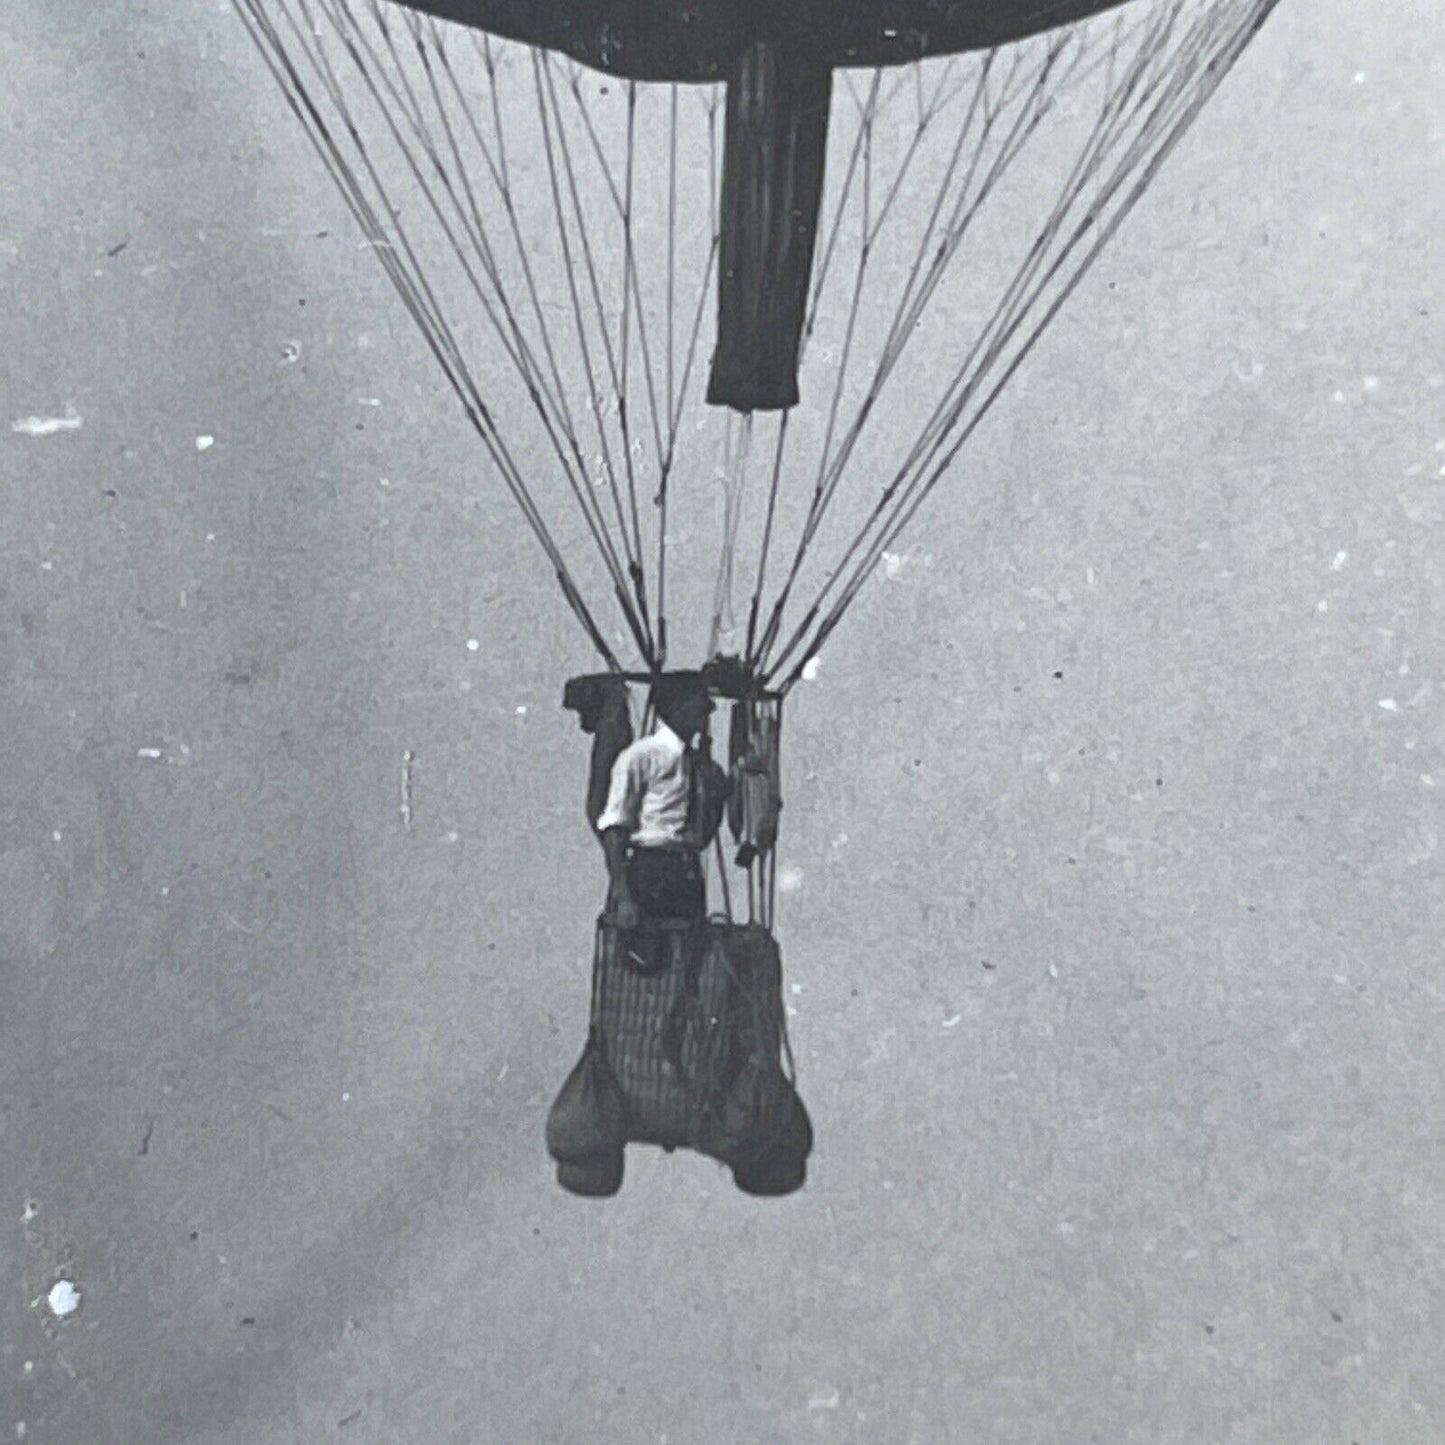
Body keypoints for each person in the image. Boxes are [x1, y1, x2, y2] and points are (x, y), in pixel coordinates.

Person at [596, 674, 729, 926]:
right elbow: (615, 831)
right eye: (698, 701)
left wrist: (716, 793)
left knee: (690, 953)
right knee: (649, 956)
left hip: (687, 872)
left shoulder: (703, 767)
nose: (708, 710)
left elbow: (705, 831)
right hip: (649, 871)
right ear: (676, 707)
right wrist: (624, 896)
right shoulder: (640, 756)